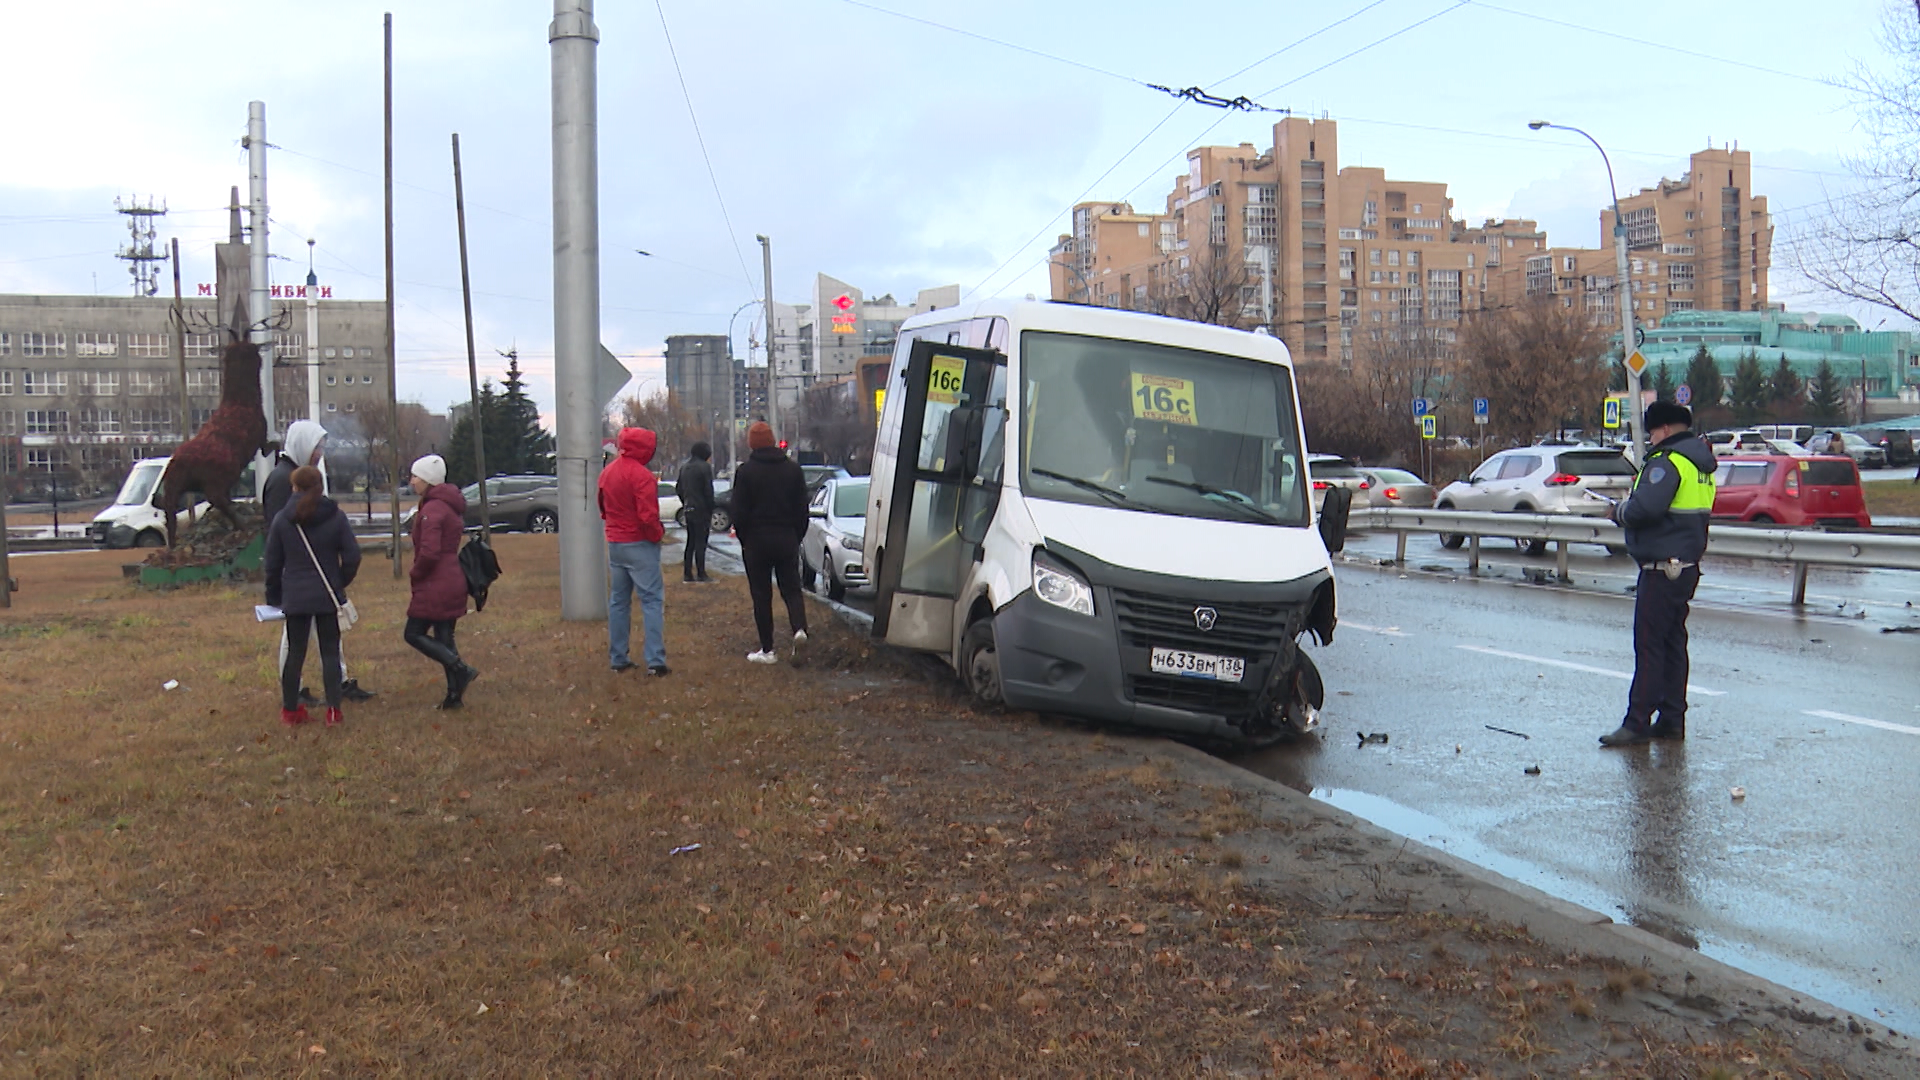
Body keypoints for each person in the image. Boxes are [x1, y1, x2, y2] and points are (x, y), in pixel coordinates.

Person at [1599, 401, 1717, 747]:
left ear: (1664, 429)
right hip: (1685, 566)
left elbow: (1646, 508)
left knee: (1650, 646)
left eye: (1652, 431)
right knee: (1672, 644)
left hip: (1661, 567)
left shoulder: (1667, 463)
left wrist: (1618, 511)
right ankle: (1671, 717)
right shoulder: (1701, 464)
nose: (1650, 438)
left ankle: (1637, 722)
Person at [264, 420, 374, 704]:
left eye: (322, 447)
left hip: (302, 582)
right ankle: (299, 692)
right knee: (299, 643)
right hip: (305, 579)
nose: (320, 453)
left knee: (319, 642)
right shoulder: (283, 480)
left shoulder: (297, 475)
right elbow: (281, 534)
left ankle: (329, 687)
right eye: (317, 447)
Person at [264, 465, 361, 728]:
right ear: (320, 486)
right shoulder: (335, 516)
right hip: (327, 594)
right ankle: (333, 712)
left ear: (293, 487)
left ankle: (291, 710)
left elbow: (272, 563)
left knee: (295, 653)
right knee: (330, 653)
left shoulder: (283, 519)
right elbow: (353, 556)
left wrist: (274, 596)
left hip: (295, 595)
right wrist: (339, 582)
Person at [403, 454, 480, 709]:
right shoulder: (448, 504)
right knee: (444, 637)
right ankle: (454, 696)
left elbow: (429, 552)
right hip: (452, 578)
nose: (412, 481)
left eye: (415, 476)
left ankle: (460, 668)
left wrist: (416, 573)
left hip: (436, 582)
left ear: (427, 479)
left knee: (413, 633)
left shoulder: (433, 509)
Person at [730, 421, 810, 664]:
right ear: (774, 441)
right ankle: (799, 630)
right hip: (787, 537)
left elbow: (738, 511)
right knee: (792, 590)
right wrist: (796, 536)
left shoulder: (745, 472)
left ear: (751, 444)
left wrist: (745, 539)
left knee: (761, 595)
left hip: (756, 541)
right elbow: (802, 509)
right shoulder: (793, 470)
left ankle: (767, 649)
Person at [599, 427, 670, 676]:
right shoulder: (643, 476)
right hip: (639, 543)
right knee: (651, 601)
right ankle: (655, 660)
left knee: (619, 601)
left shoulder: (607, 473)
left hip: (616, 542)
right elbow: (647, 516)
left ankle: (618, 657)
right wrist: (656, 535)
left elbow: (603, 507)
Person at [677, 441, 716, 584]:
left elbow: (679, 488)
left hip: (689, 508)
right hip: (702, 509)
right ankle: (701, 573)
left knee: (690, 542)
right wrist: (710, 508)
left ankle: (687, 574)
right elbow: (708, 490)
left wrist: (686, 502)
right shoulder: (704, 467)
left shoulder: (684, 467)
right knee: (701, 543)